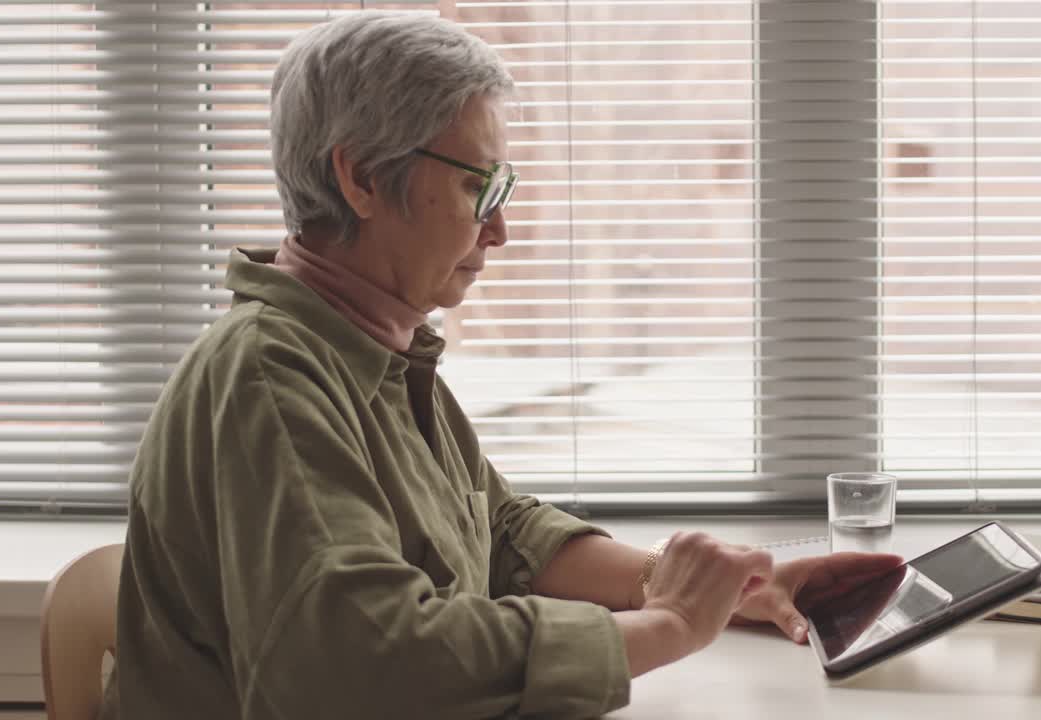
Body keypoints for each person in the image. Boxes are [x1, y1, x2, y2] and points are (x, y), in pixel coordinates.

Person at [99, 12, 901, 719]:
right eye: (480, 186)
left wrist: (701, 589)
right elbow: (364, 667)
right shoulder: (271, 379)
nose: (500, 231)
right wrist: (667, 628)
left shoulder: (375, 353)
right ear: (363, 178)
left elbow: (502, 534)